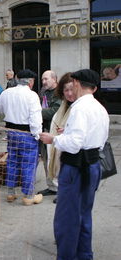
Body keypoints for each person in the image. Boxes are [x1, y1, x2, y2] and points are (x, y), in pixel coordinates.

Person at [40, 69, 109, 260]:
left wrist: (53, 139)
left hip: (76, 168)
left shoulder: (79, 108)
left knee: (67, 219)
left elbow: (75, 143)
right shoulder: (100, 108)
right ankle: (84, 255)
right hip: (93, 165)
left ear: (77, 83)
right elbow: (100, 140)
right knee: (84, 215)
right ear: (94, 88)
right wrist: (67, 134)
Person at [0, 69, 43, 206]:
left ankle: (11, 192)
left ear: (17, 79)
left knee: (12, 160)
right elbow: (35, 118)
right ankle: (28, 195)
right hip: (27, 133)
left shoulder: (6, 93)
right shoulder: (32, 95)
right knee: (28, 163)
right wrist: (37, 134)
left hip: (11, 131)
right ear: (30, 82)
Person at [45, 73, 75, 204]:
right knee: (54, 164)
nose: (69, 93)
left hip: (70, 146)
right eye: (65, 90)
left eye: (71, 89)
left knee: (65, 168)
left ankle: (64, 192)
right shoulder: (65, 104)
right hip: (55, 139)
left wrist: (67, 130)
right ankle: (55, 189)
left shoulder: (79, 106)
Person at [37, 70, 62, 197]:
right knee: (46, 160)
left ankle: (59, 189)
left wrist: (36, 112)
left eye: (46, 79)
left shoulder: (60, 93)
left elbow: (54, 111)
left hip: (55, 132)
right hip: (45, 130)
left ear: (54, 79)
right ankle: (51, 187)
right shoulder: (44, 92)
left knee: (56, 161)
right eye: (42, 79)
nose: (44, 82)